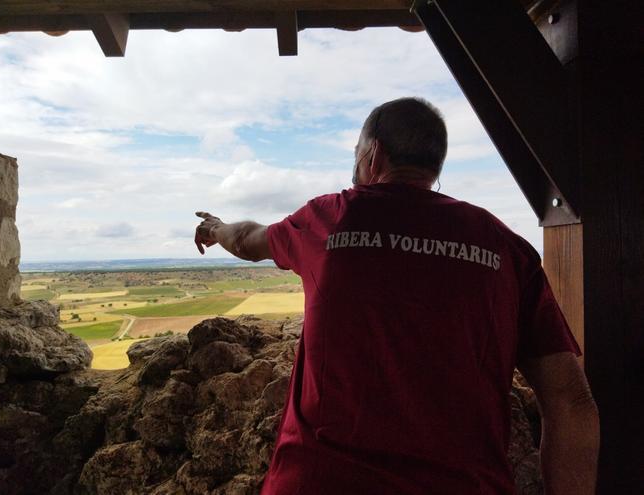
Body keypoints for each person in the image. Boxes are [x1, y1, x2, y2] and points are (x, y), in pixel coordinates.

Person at [194, 97, 600, 494]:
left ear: (373, 155)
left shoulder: (329, 219)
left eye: (356, 153)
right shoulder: (505, 247)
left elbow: (247, 240)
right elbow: (571, 401)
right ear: (433, 164)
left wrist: (215, 227)